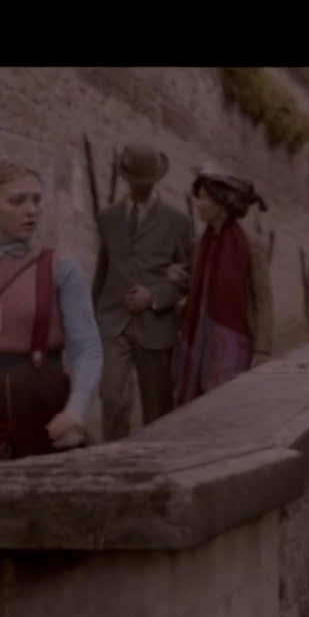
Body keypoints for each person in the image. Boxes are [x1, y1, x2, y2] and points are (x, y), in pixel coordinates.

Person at [0, 160, 102, 468]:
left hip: (42, 400)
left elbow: (87, 348)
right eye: (17, 201)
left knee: (49, 490)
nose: (31, 210)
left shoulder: (60, 268)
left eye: (36, 200)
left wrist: (75, 410)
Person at [92, 145, 196, 440]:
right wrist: (92, 319)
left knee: (157, 410)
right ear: (126, 179)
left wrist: (154, 296)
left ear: (156, 180)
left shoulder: (178, 223)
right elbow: (103, 271)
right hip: (113, 322)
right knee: (112, 399)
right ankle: (114, 459)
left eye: (147, 181)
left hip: (156, 326)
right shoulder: (108, 218)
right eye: (136, 181)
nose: (141, 187)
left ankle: (155, 460)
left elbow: (190, 276)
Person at [174, 165, 271, 404]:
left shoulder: (250, 246)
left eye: (204, 198)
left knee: (225, 402)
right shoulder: (201, 244)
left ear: (222, 206)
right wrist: (179, 277)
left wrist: (263, 349)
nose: (198, 203)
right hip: (200, 336)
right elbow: (200, 283)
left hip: (233, 340)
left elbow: (263, 298)